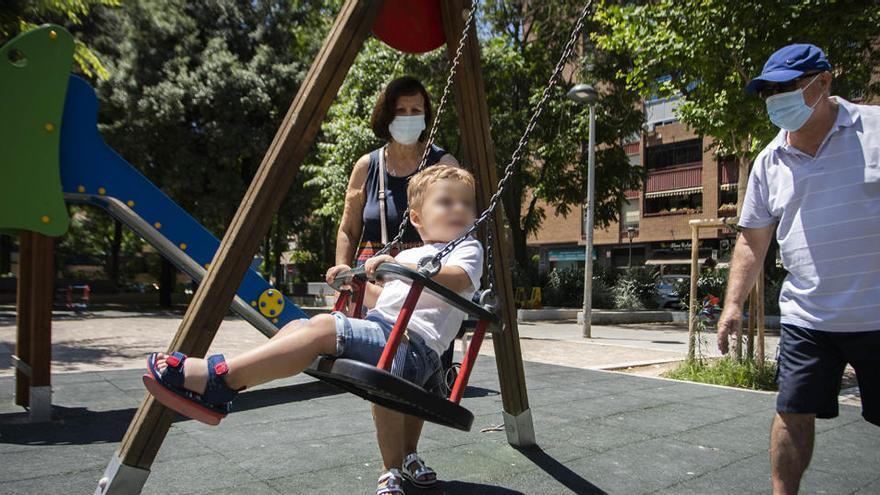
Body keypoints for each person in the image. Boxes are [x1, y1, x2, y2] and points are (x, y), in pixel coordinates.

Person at [143, 165, 483, 495]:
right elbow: (387, 298)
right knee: (297, 325)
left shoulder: (466, 249)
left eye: (466, 203)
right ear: (417, 217)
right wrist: (352, 281)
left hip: (414, 350)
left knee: (322, 327)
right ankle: (399, 463)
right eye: (446, 201)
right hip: (387, 335)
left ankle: (220, 378)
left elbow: (457, 279)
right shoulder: (416, 253)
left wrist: (398, 265)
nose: (459, 209)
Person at [718, 44, 880, 495]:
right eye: (767, 91)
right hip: (808, 317)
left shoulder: (875, 128)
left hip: (878, 313)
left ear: (823, 81)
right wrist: (732, 304)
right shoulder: (769, 162)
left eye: (785, 87)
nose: (774, 99)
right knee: (791, 412)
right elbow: (752, 239)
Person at [325, 76, 460, 486]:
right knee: (387, 368)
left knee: (421, 371)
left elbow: (461, 222)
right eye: (400, 110)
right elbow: (348, 226)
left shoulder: (443, 163)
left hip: (428, 274)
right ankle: (390, 468)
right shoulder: (368, 166)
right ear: (387, 115)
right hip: (375, 274)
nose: (408, 117)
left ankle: (411, 455)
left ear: (426, 113)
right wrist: (341, 265)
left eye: (415, 109)